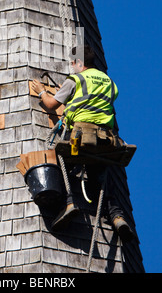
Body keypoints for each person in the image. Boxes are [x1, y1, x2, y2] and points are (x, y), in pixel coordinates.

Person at [31, 45, 134, 242]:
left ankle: (68, 204)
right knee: (101, 175)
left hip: (79, 136)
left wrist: (41, 91)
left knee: (61, 164)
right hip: (105, 140)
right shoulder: (110, 83)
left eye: (73, 64)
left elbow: (51, 104)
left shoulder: (76, 79)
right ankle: (117, 215)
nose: (72, 68)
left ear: (79, 63)